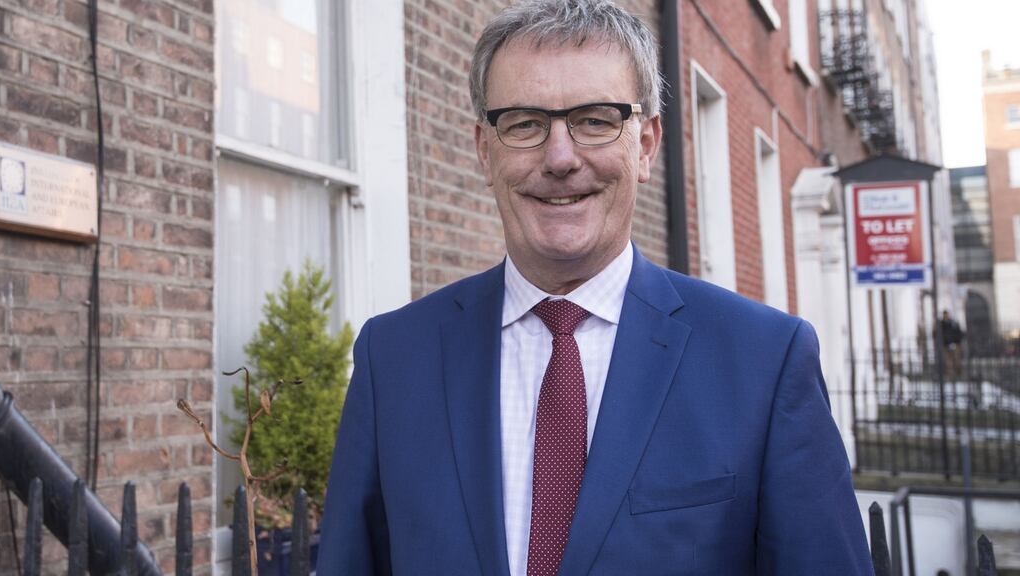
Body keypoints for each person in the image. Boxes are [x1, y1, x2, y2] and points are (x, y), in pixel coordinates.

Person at [317, 1, 872, 574]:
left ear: (647, 145)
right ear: (485, 150)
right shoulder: (394, 358)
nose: (560, 158)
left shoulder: (763, 362)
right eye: (525, 123)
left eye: (596, 120)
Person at [939, 309, 965, 378]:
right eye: (944, 314)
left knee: (957, 359)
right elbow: (938, 334)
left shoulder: (953, 323)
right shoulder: (941, 324)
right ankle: (949, 375)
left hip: (955, 344)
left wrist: (957, 342)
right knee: (948, 361)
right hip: (946, 344)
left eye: (946, 314)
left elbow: (959, 332)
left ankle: (959, 373)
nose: (946, 316)